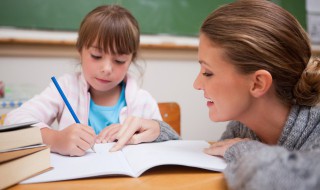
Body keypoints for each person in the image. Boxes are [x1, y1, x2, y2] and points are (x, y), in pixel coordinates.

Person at [4, 5, 179, 157]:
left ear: (131, 60)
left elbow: (172, 145)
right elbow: (13, 121)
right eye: (96, 56)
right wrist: (55, 139)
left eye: (119, 60)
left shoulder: (142, 101)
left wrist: (156, 129)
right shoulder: (64, 89)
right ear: (80, 50)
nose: (107, 68)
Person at [192, 0, 320, 189]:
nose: (196, 84)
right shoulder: (241, 128)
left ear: (258, 83)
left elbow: (278, 181)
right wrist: (162, 134)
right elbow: (211, 157)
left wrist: (241, 149)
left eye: (208, 73)